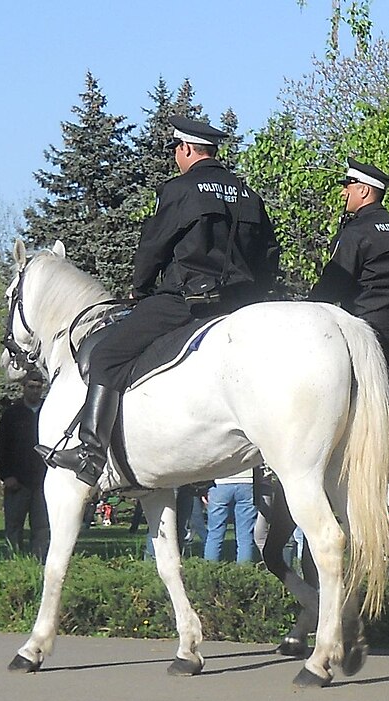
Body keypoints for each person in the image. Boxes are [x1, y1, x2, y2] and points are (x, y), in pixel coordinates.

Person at [39, 114, 281, 486]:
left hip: (187, 302)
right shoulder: (249, 196)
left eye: (176, 150)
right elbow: (269, 255)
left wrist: (141, 287)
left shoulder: (180, 190)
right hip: (241, 306)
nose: (175, 156)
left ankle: (90, 454)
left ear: (185, 149)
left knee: (107, 355)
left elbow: (153, 246)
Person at [309, 157, 389, 357]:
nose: (343, 193)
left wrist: (307, 306)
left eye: (348, 186)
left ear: (363, 191)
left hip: (369, 323)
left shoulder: (356, 231)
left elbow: (334, 285)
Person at [0, 374, 49, 560]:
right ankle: (13, 562)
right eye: (31, 387)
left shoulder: (49, 410)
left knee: (42, 527)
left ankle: (40, 562)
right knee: (13, 526)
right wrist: (6, 475)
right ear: (23, 387)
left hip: (43, 481)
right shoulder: (12, 413)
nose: (35, 391)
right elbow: (1, 446)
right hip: (17, 481)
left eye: (38, 387)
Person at [204, 469, 259, 563]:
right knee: (245, 535)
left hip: (219, 481)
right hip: (247, 480)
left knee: (214, 533)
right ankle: (245, 571)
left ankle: (209, 568)